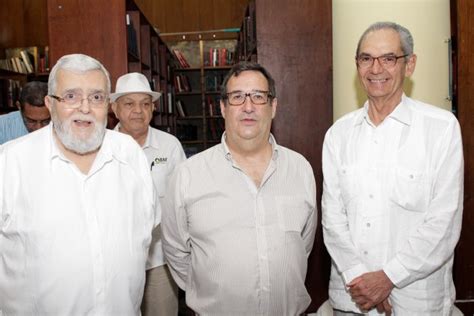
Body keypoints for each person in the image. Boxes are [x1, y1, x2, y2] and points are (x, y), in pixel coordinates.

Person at [322, 21, 463, 315]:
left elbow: (444, 222)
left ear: (409, 65)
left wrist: (388, 278)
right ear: (357, 65)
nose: (376, 69)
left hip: (417, 300)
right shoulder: (338, 134)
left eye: (388, 58)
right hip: (352, 297)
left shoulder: (441, 128)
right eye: (366, 58)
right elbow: (332, 219)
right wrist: (362, 280)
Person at [0, 54, 156, 315]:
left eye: (96, 97)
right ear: (50, 104)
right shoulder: (10, 163)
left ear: (107, 104)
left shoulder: (130, 154)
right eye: (71, 96)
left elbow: (145, 233)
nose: (84, 108)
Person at [162, 61, 317, 315]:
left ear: (273, 106)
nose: (248, 107)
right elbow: (176, 250)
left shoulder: (300, 170)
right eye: (237, 97)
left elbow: (303, 246)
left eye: (258, 96)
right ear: (222, 108)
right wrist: (208, 290)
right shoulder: (188, 175)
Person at [111, 72, 186, 316]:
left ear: (153, 109)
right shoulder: (101, 147)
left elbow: (184, 200)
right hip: (114, 263)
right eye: (129, 104)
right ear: (114, 108)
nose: (138, 111)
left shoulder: (170, 145)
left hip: (160, 260)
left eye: (145, 104)